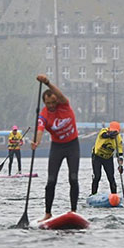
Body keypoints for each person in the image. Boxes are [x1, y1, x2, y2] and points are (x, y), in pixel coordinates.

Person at [31, 74, 79, 221]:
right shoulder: (43, 114)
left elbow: (59, 94)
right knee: (51, 180)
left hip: (72, 145)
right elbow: (39, 130)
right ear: (44, 103)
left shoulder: (64, 104)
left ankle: (73, 211)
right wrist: (36, 143)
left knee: (73, 178)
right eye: (48, 103)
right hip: (57, 147)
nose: (51, 106)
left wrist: (48, 83)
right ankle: (47, 213)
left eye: (52, 102)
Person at [91, 121, 124, 195]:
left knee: (111, 177)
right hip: (97, 157)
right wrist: (110, 134)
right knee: (97, 176)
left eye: (116, 133)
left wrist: (120, 165)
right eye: (112, 132)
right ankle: (93, 194)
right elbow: (103, 135)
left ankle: (114, 195)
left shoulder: (118, 139)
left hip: (108, 158)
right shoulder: (104, 131)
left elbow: (120, 153)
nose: (114, 135)